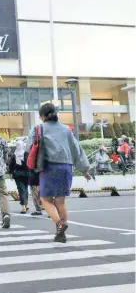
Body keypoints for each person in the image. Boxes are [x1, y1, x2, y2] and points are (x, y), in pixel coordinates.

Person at [26, 103, 91, 243]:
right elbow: (76, 150)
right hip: (66, 167)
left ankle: (59, 225)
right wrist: (84, 169)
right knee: (60, 201)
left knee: (45, 199)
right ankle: (61, 234)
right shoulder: (66, 129)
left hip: (49, 167)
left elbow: (27, 147)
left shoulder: (38, 128)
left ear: (42, 116)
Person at [8, 139, 30, 214]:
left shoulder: (14, 155)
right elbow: (29, 164)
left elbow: (11, 165)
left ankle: (23, 206)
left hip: (17, 174)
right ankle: (25, 205)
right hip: (26, 174)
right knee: (25, 189)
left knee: (21, 189)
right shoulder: (26, 154)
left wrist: (10, 173)